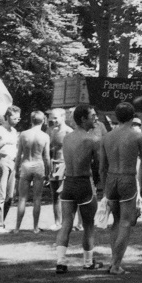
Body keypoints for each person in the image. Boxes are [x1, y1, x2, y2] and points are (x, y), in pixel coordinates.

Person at [100, 103, 142, 275]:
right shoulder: (138, 136)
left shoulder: (107, 137)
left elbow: (101, 167)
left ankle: (114, 261)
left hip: (111, 179)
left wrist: (105, 188)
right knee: (126, 223)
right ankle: (116, 265)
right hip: (127, 178)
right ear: (133, 116)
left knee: (116, 221)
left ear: (116, 117)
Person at [55, 105, 103, 273]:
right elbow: (98, 165)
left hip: (68, 183)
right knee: (89, 225)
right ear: (83, 118)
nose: (96, 118)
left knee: (66, 223)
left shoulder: (67, 138)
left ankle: (61, 261)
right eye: (93, 116)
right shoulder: (93, 139)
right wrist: (99, 183)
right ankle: (88, 262)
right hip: (84, 183)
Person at [14, 111, 50, 234]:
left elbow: (18, 154)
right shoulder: (45, 136)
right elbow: (47, 157)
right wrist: (48, 172)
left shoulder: (23, 134)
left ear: (31, 120)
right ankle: (35, 228)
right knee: (37, 198)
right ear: (43, 121)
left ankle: (17, 228)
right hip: (38, 164)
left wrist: (16, 169)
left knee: (22, 199)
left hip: (26, 164)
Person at [0, 105, 21, 233]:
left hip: (13, 162)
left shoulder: (14, 132)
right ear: (7, 117)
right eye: (14, 118)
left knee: (10, 196)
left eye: (18, 119)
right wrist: (1, 144)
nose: (16, 121)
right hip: (3, 160)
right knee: (0, 194)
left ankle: (2, 222)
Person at [48, 108, 73, 231]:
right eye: (52, 118)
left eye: (56, 117)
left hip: (64, 164)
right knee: (54, 195)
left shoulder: (69, 131)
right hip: (53, 164)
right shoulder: (53, 131)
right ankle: (57, 222)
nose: (54, 120)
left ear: (63, 117)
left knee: (64, 195)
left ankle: (66, 222)